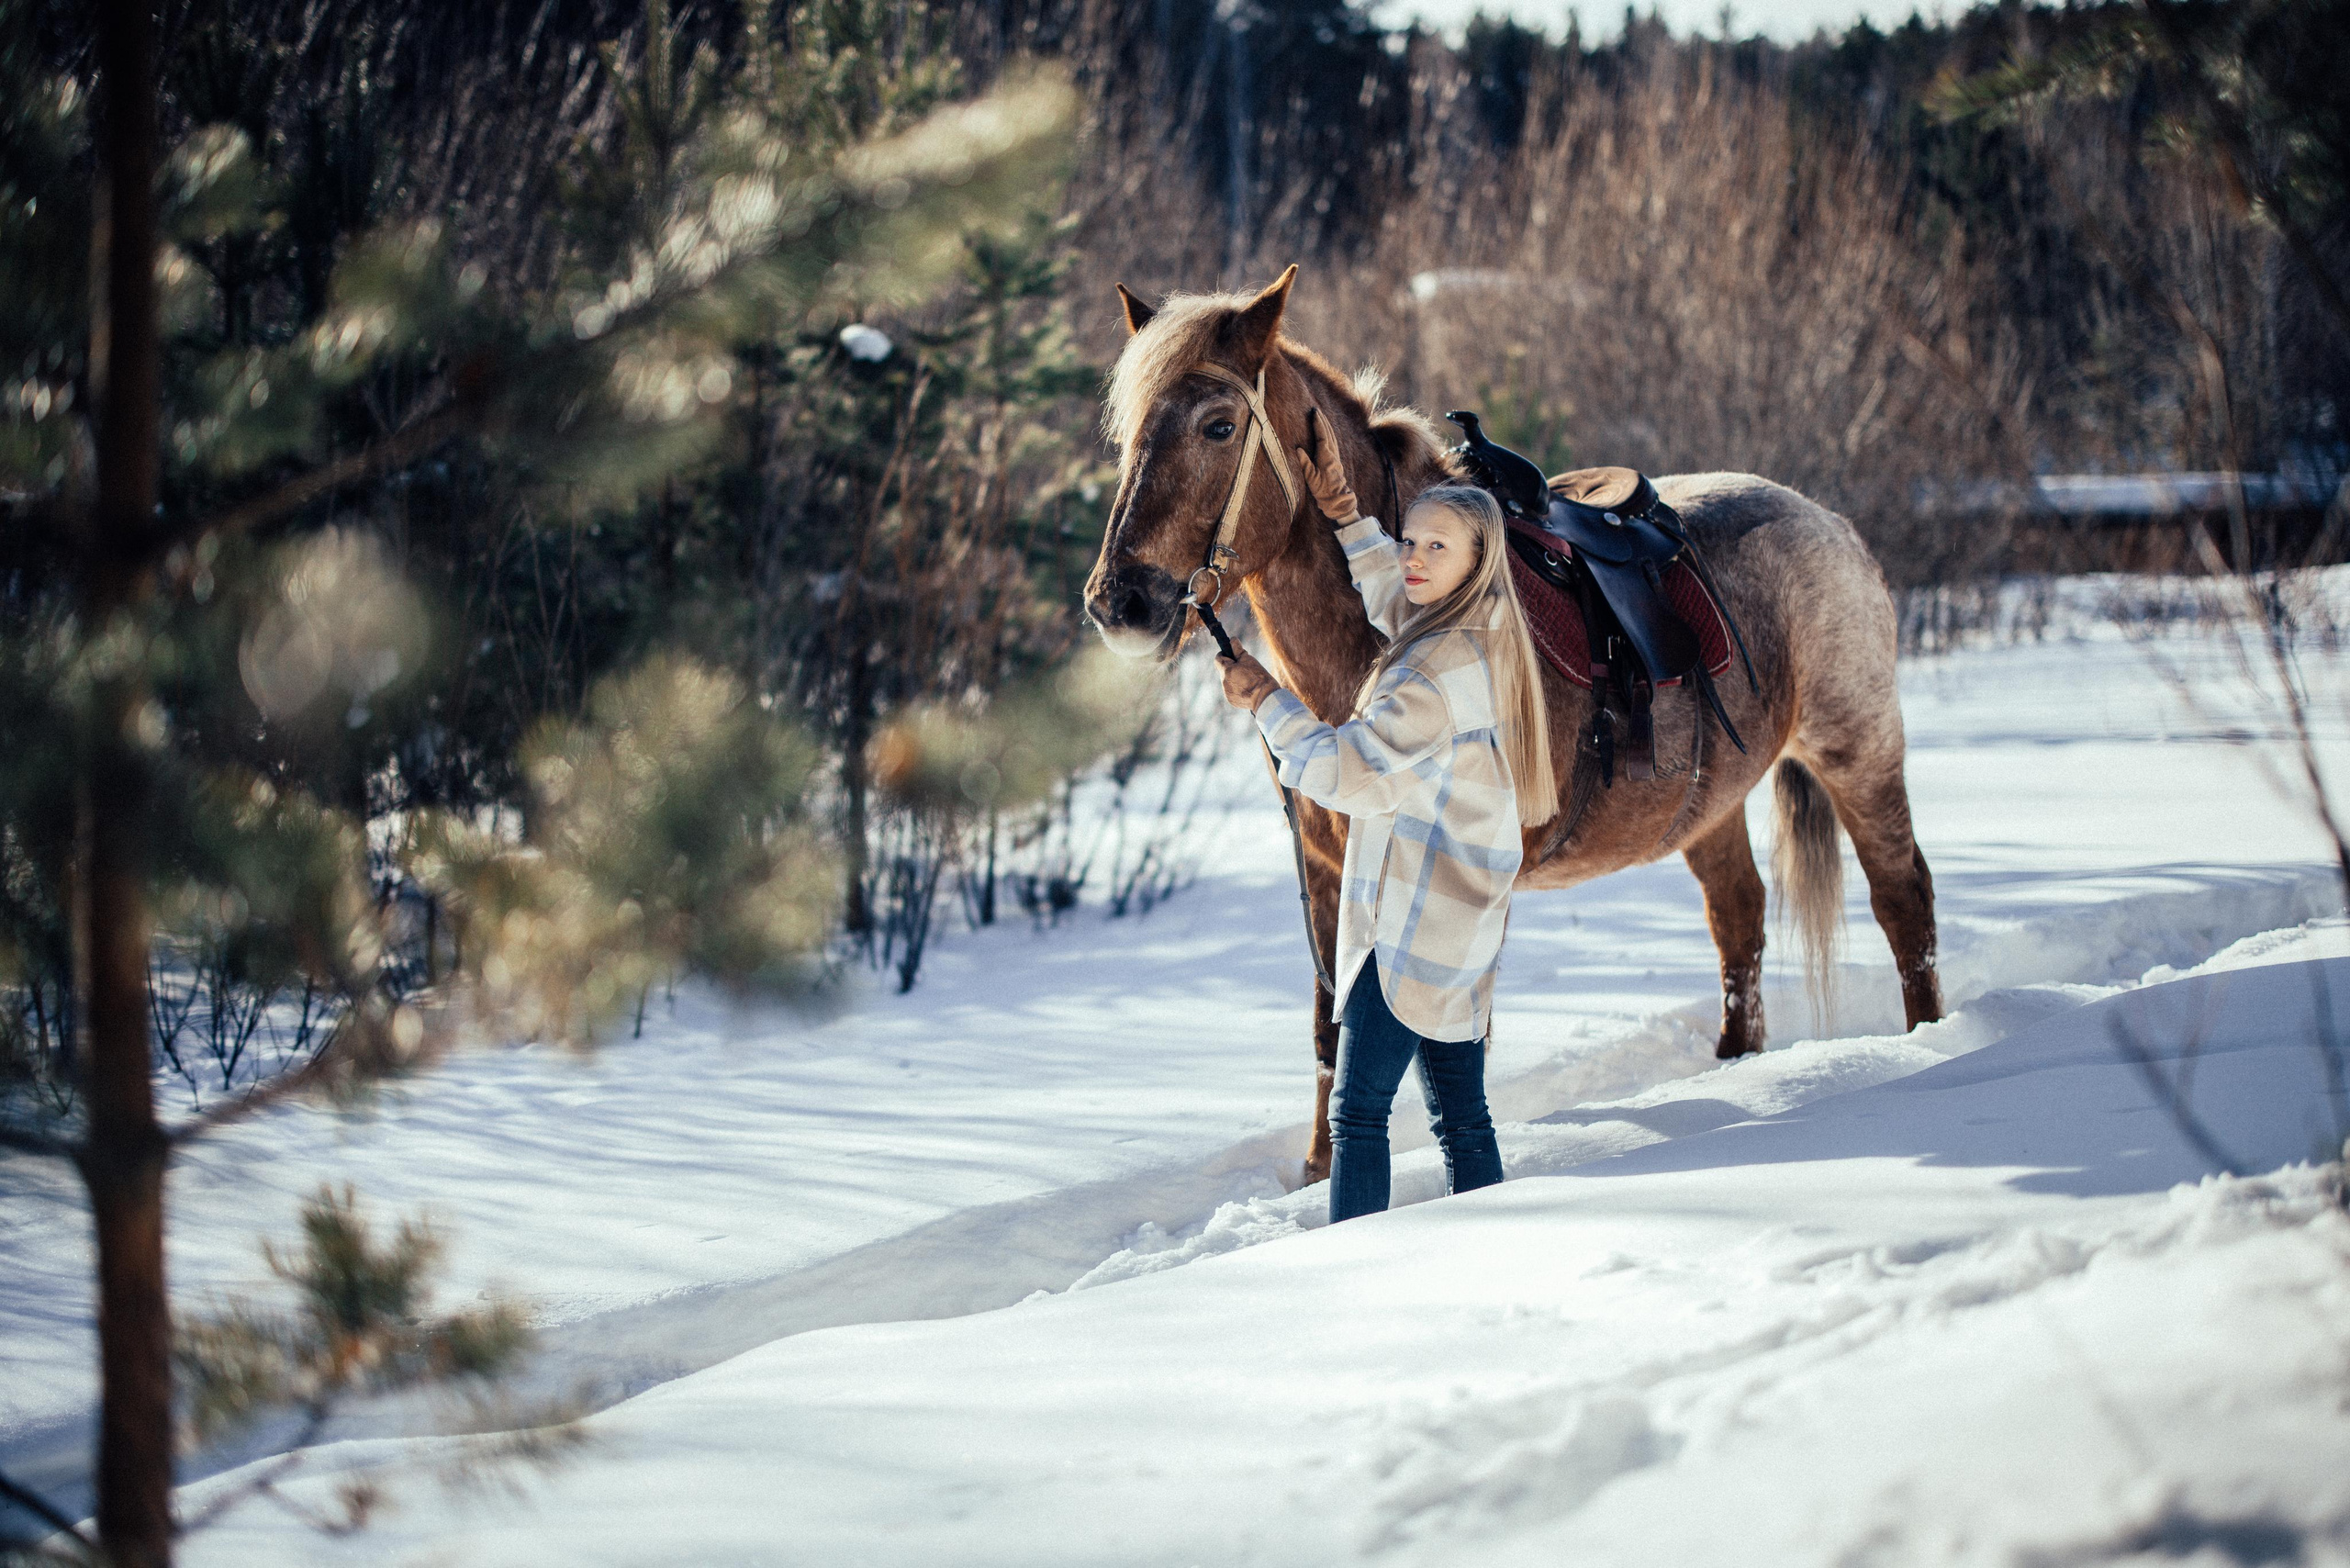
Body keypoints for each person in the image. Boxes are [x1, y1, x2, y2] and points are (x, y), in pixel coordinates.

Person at [1217, 416, 1558, 1224]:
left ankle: (1356, 1265)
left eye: (1438, 548)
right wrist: (1349, 520)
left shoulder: (1433, 678)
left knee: (1358, 1114)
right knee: (1462, 1118)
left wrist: (1267, 699)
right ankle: (1486, 1238)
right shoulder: (1483, 633)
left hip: (1408, 921)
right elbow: (1400, 609)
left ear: (1477, 561)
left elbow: (1349, 774)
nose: (1413, 559)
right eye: (1411, 542)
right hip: (1463, 919)